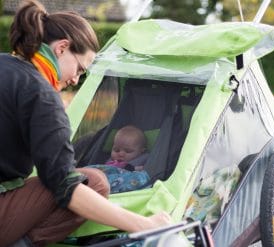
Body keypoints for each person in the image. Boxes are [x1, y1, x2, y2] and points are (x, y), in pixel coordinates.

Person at [0, 0, 171, 246]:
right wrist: (144, 224)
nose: (75, 80)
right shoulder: (41, 95)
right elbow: (64, 186)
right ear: (61, 48)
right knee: (96, 183)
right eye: (80, 69)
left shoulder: (5, 64)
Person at [89, 125, 151, 193]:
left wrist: (135, 168)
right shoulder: (110, 161)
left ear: (141, 151)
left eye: (128, 151)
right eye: (116, 150)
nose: (120, 154)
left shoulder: (143, 160)